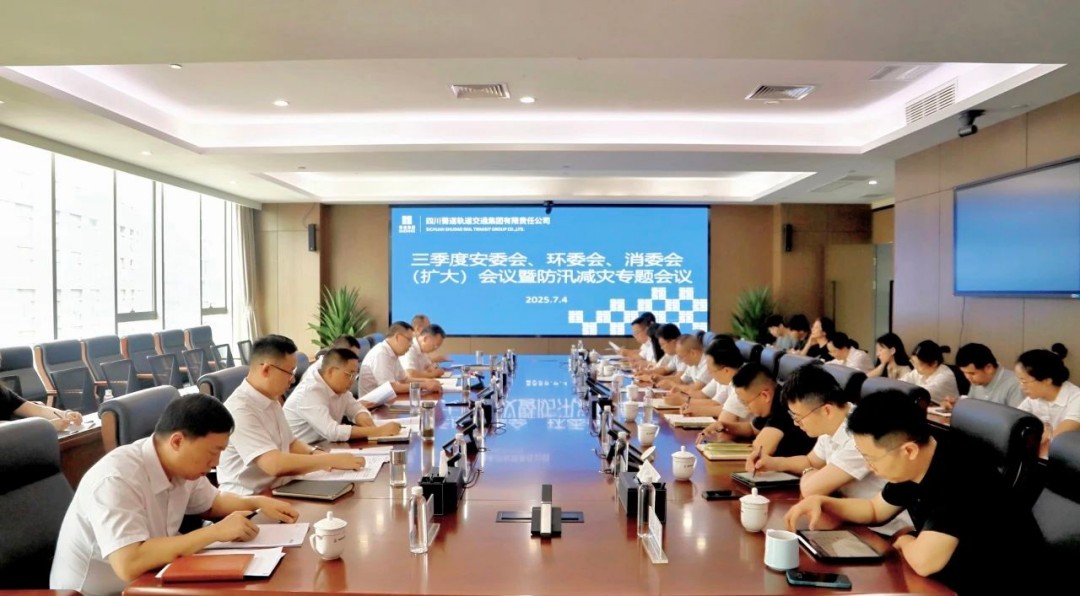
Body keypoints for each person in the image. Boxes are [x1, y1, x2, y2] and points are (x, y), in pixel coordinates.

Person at [783, 391, 1044, 594]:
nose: (869, 467)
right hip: (945, 582)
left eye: (871, 458)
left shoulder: (961, 475)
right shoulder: (916, 461)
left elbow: (924, 561)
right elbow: (874, 510)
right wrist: (822, 502)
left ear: (908, 450)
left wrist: (906, 538)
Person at [50, 393, 300, 596]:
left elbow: (213, 503)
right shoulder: (116, 478)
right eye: (213, 452)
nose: (216, 463)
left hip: (154, 578)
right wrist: (214, 532)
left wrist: (257, 502)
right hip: (99, 592)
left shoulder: (182, 467)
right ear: (177, 441)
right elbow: (129, 563)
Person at [216, 335, 366, 495]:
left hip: (280, 487)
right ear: (266, 369)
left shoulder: (271, 398)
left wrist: (317, 453)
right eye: (289, 372)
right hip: (249, 498)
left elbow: (291, 442)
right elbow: (274, 464)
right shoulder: (240, 409)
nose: (293, 380)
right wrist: (329, 460)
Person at [284, 348, 401, 443]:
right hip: (300, 453)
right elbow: (332, 431)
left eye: (354, 375)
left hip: (323, 446)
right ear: (331, 371)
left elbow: (356, 408)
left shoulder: (339, 388)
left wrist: (363, 417)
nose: (352, 380)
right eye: (349, 374)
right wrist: (377, 431)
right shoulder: (310, 392)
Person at [735, 363, 815, 471]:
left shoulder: (784, 404)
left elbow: (760, 449)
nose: (746, 408)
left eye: (745, 402)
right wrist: (725, 426)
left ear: (765, 395)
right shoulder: (771, 401)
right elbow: (752, 429)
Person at [358, 321, 441, 401]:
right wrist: (424, 385)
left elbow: (404, 380)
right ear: (398, 337)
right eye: (409, 340)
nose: (411, 344)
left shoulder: (393, 353)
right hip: (373, 407)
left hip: (386, 401)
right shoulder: (381, 353)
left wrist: (427, 381)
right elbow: (390, 388)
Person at [1015, 344, 1080, 442]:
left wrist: (1044, 439)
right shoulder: (1034, 397)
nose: (1021, 387)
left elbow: (1055, 441)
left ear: (1047, 380)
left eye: (1024, 382)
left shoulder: (1076, 399)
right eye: (1020, 381)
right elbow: (1014, 422)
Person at [694, 343, 756, 437]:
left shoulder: (744, 381)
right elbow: (722, 407)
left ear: (726, 370)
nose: (710, 375)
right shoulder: (736, 375)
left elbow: (722, 427)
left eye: (711, 371)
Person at [947, 343, 1023, 409]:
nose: (967, 377)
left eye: (972, 373)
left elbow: (1018, 418)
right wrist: (957, 405)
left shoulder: (1015, 384)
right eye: (964, 373)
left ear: (989, 368)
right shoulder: (976, 381)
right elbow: (971, 407)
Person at [0, 380, 82, 431]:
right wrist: (47, 426)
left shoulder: (2, 391)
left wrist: (66, 415)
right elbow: (5, 430)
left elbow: (39, 410)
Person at [663, 334, 716, 407]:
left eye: (681, 357)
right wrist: (661, 379)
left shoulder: (708, 364)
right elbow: (681, 380)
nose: (681, 361)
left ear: (693, 353)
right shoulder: (692, 364)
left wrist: (673, 385)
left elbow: (695, 389)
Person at [900, 340, 959, 405]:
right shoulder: (919, 371)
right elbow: (900, 383)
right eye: (913, 362)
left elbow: (922, 394)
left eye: (918, 364)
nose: (915, 367)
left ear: (934, 363)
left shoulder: (945, 376)